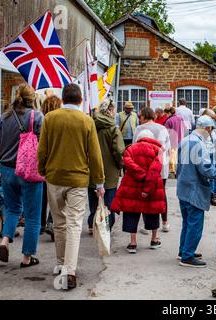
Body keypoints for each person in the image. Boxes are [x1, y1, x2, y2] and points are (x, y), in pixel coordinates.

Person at [38, 83, 105, 290]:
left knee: (59, 223)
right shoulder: (86, 121)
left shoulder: (50, 118)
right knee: (74, 223)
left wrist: (42, 170)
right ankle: (69, 269)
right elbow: (94, 154)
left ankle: (60, 263)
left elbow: (43, 149)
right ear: (81, 100)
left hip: (54, 177)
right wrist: (99, 181)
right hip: (77, 180)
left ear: (63, 99)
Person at [0, 84, 44, 268]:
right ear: (32, 99)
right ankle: (26, 258)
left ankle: (4, 241)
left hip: (6, 170)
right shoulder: (37, 117)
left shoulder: (4, 118)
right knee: (32, 216)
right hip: (29, 171)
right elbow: (43, 146)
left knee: (12, 209)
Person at [177, 116, 216, 267]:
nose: (210, 133)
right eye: (210, 130)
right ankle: (187, 256)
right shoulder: (198, 144)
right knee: (195, 223)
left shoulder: (186, 139)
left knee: (188, 222)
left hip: (183, 187)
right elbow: (206, 170)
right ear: (207, 128)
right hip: (194, 189)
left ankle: (184, 251)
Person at [111, 129, 165, 253]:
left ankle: (133, 243)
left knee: (131, 211)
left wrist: (140, 174)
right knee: (153, 210)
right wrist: (147, 184)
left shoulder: (130, 149)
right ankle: (154, 240)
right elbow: (154, 170)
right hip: (152, 186)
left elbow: (128, 163)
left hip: (132, 185)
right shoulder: (158, 150)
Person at [87, 99, 125, 234]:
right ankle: (106, 226)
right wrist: (121, 164)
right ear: (110, 110)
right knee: (108, 201)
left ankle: (92, 224)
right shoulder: (113, 128)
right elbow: (119, 151)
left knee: (93, 198)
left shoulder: (90, 125)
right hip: (109, 171)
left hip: (91, 169)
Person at [133, 108, 171, 233]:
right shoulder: (162, 129)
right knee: (161, 195)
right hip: (160, 167)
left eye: (140, 116)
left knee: (144, 194)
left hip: (143, 167)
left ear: (144, 116)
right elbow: (168, 148)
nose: (139, 119)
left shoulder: (139, 129)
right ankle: (165, 223)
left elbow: (134, 148)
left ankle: (146, 225)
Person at [40, 95, 63, 240]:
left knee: (43, 195)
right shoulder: (58, 122)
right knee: (56, 196)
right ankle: (51, 221)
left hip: (44, 163)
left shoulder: (40, 120)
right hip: (56, 163)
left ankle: (41, 224)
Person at [164, 107, 185, 176]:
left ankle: (172, 172)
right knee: (179, 157)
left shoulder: (169, 121)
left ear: (169, 113)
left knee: (172, 157)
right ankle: (179, 171)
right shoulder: (180, 118)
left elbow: (165, 133)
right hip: (181, 139)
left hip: (172, 141)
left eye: (166, 113)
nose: (165, 115)